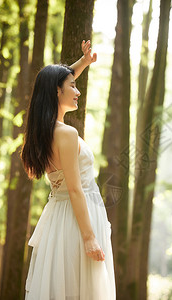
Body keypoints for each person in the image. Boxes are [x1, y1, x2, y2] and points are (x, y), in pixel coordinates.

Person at [21, 40, 115, 300]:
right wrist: (89, 237)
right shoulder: (67, 134)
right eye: (72, 86)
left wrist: (83, 62)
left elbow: (56, 80)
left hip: (59, 218)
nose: (78, 91)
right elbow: (75, 189)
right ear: (56, 92)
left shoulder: (45, 131)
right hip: (77, 220)